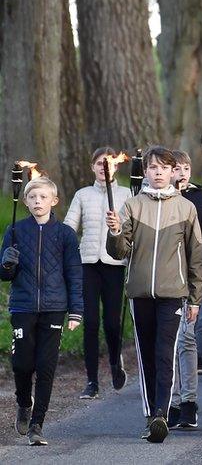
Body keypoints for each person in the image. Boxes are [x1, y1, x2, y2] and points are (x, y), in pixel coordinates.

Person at [106, 146, 202, 443]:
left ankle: (162, 412)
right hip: (139, 292)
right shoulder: (132, 205)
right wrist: (115, 232)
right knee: (146, 354)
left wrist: (196, 298)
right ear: (145, 172)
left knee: (165, 353)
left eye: (164, 167)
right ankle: (151, 416)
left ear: (175, 172)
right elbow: (119, 252)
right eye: (153, 167)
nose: (159, 172)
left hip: (173, 293)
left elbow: (195, 255)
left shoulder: (186, 208)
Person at [2, 176, 83, 446]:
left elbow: (74, 273)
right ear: (25, 201)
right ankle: (24, 403)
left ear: (54, 201)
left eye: (43, 197)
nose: (38, 201)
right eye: (33, 197)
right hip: (23, 305)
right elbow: (4, 274)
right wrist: (7, 264)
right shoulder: (14, 231)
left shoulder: (65, 234)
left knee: (46, 367)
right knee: (22, 364)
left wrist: (76, 310)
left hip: (54, 308)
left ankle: (37, 424)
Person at [63, 147, 132, 399]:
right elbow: (70, 226)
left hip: (115, 265)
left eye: (109, 164)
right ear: (92, 167)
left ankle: (115, 361)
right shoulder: (83, 194)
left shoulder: (126, 194)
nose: (104, 168)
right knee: (90, 322)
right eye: (99, 164)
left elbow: (131, 230)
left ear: (116, 166)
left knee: (112, 324)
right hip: (88, 263)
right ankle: (92, 381)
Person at [168, 150, 202, 430]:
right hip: (164, 278)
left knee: (187, 339)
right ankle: (171, 401)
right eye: (176, 168)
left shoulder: (200, 200)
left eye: (186, 167)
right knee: (171, 342)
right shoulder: (160, 201)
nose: (182, 172)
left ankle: (188, 401)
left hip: (191, 279)